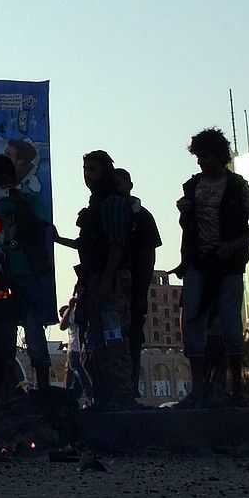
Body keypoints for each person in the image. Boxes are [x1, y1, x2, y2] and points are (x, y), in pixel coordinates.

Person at [175, 127, 249, 405]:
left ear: (219, 157)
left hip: (228, 263)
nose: (202, 163)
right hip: (198, 260)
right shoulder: (193, 185)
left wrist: (231, 246)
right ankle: (198, 387)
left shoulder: (237, 186)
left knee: (230, 321)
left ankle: (235, 387)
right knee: (193, 319)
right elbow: (187, 226)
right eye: (200, 158)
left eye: (206, 157)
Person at [0, 155, 58, 390]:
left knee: (33, 331)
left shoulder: (30, 201)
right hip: (0, 275)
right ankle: (7, 386)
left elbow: (45, 231)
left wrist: (20, 205)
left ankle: (43, 387)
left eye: (1, 180)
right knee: (3, 333)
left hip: (29, 274)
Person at [74, 150, 133, 409]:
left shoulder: (113, 203)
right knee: (95, 342)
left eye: (93, 169)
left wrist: (107, 281)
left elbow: (116, 245)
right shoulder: (96, 203)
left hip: (110, 281)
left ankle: (121, 397)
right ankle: (103, 398)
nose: (88, 175)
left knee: (115, 340)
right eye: (86, 169)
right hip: (93, 279)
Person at [115, 168, 162, 398]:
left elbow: (148, 256)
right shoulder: (107, 211)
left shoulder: (141, 216)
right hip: (112, 286)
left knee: (132, 338)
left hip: (133, 287)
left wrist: (142, 290)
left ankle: (130, 388)